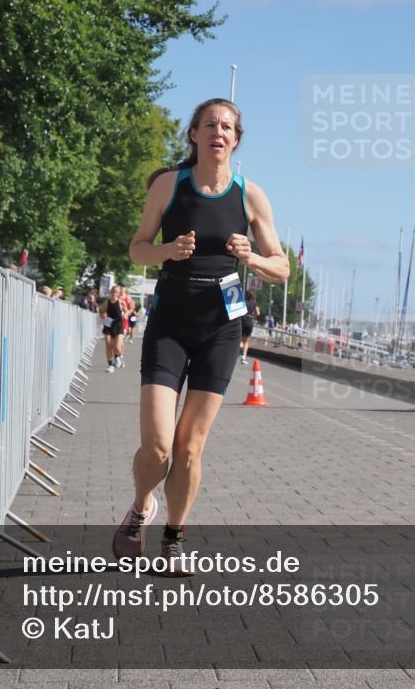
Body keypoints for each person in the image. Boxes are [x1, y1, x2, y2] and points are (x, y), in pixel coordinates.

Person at [117, 98, 289, 572]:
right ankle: (140, 506)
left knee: (190, 447)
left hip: (220, 326)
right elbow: (137, 249)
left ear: (236, 140)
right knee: (158, 446)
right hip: (170, 320)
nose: (219, 131)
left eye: (228, 126)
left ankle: (174, 537)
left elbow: (282, 267)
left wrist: (251, 257)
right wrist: (169, 249)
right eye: (210, 124)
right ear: (193, 135)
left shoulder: (250, 195)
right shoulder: (169, 186)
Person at [99, 285, 125, 373]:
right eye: (113, 291)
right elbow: (101, 311)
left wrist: (126, 313)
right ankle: (110, 365)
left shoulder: (121, 302)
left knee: (117, 347)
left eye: (116, 292)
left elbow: (129, 310)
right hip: (109, 326)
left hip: (118, 326)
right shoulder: (107, 302)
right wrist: (102, 315)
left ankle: (118, 357)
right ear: (111, 292)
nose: (114, 293)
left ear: (119, 293)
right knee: (108, 345)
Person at [239, 290, 260, 364]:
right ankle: (243, 357)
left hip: (242, 320)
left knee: (239, 338)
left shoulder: (242, 302)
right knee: (246, 341)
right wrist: (253, 317)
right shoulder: (254, 303)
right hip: (249, 320)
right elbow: (258, 313)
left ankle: (235, 354)